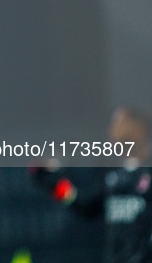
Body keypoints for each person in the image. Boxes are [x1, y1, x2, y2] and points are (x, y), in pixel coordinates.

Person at [31, 107, 152, 263]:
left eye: (117, 122)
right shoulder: (113, 177)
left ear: (134, 129)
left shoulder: (147, 174)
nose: (111, 129)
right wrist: (53, 183)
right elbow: (84, 205)